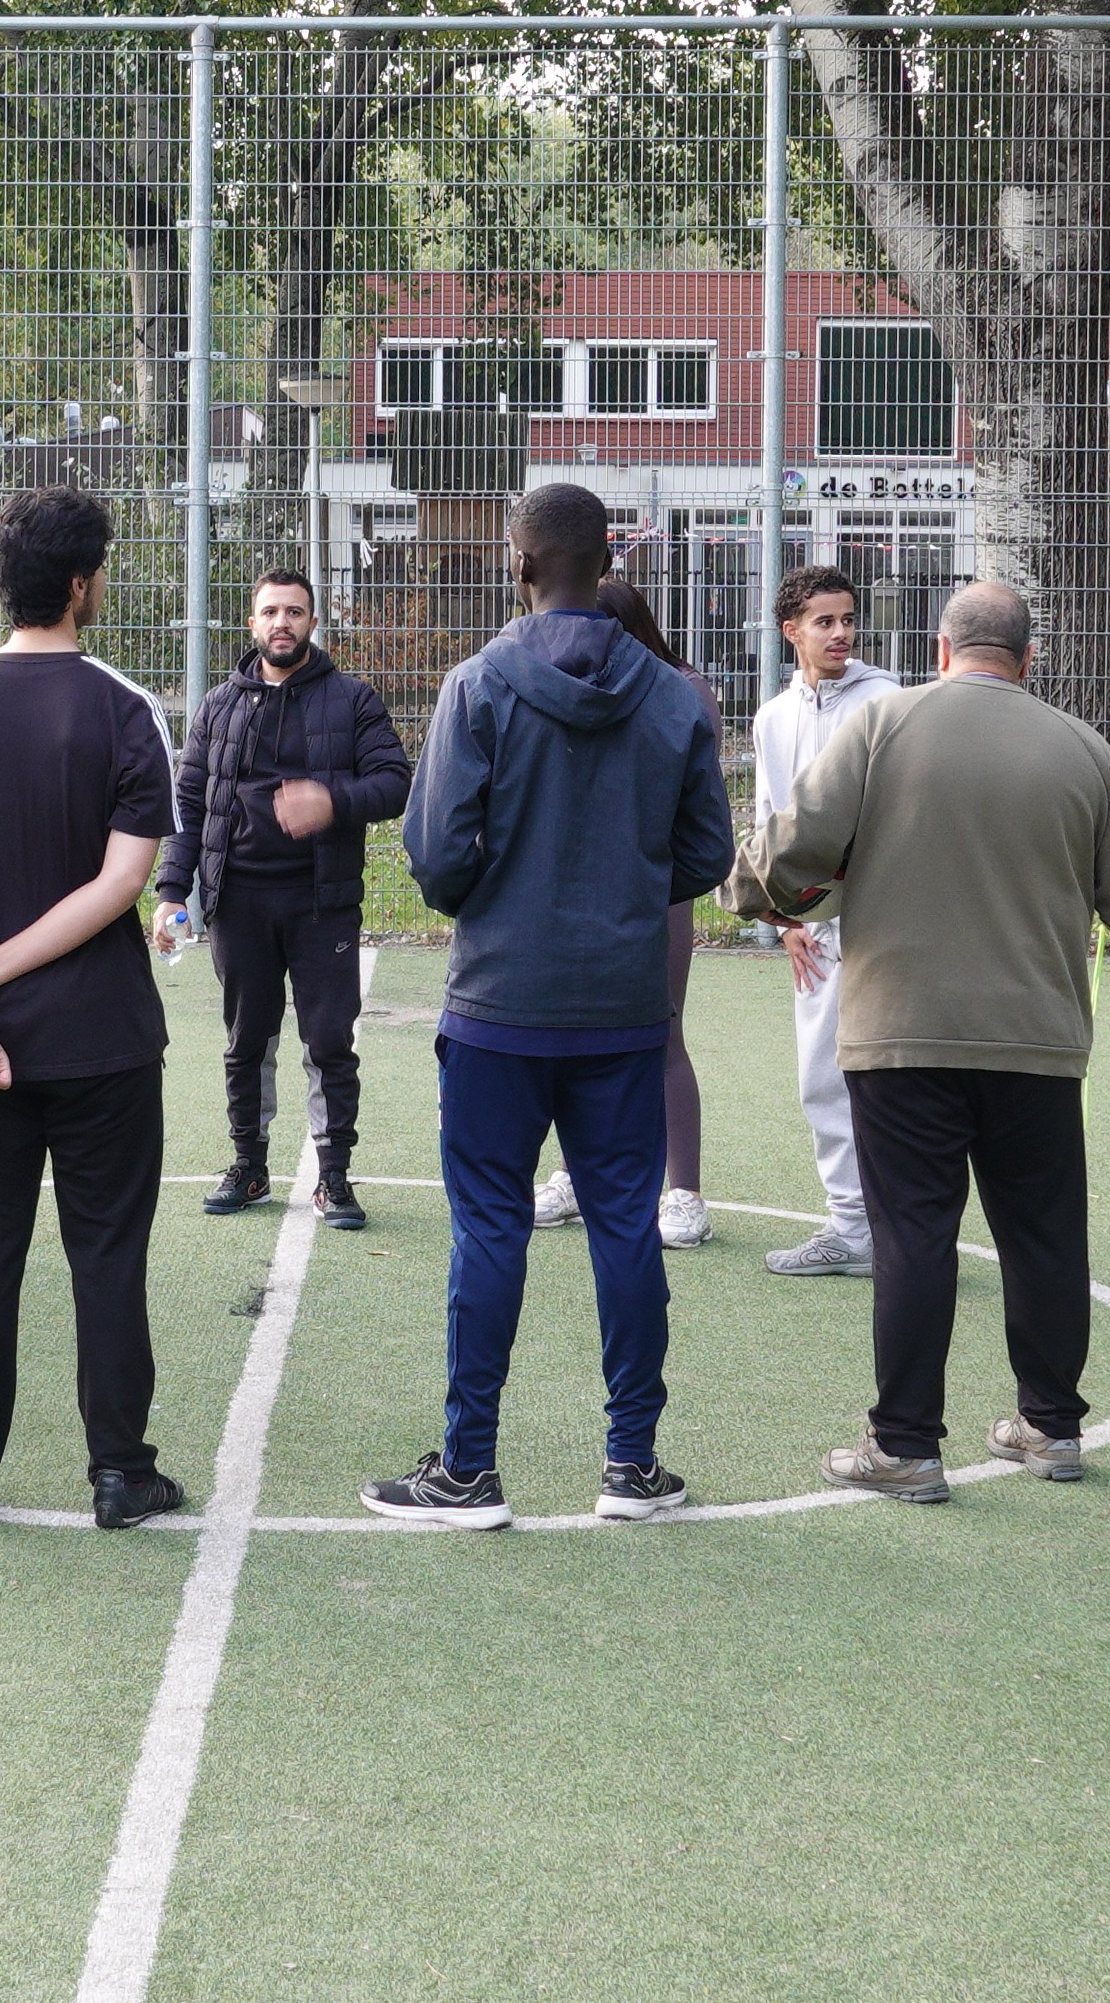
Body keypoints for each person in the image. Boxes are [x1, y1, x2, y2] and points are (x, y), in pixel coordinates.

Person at [731, 581, 1110, 1502]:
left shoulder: (879, 724)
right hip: (1035, 1037)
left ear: (940, 649)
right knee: (1044, 1235)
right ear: (1028, 659)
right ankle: (1051, 1426)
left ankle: (904, 1445)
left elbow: (790, 851)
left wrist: (749, 892)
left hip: (901, 1032)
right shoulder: (1082, 748)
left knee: (912, 1237)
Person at [370, 483, 733, 1529]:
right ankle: (631, 1464)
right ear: (606, 559)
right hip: (622, 1003)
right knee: (625, 1228)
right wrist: (624, 887)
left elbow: (436, 854)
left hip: (500, 998)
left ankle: (468, 1469)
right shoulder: (672, 696)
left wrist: (502, 894)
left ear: (517, 562)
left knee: (489, 1228)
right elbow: (706, 852)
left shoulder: (477, 684)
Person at [0, 485, 185, 1532]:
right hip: (101, 1038)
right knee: (106, 1255)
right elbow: (121, 884)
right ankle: (121, 1474)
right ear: (79, 583)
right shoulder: (123, 708)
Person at [152, 567, 410, 1230]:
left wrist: (332, 800)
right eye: (270, 612)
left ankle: (333, 1176)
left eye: (294, 612)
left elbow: (394, 781)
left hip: (322, 903)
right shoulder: (219, 705)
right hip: (238, 901)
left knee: (329, 1042)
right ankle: (249, 1165)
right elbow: (187, 802)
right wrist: (172, 891)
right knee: (246, 1041)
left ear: (312, 623)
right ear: (252, 623)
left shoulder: (351, 699)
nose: (282, 623)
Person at [532, 573, 722, 1250]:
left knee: (661, 1037)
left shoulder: (680, 692)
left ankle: (685, 1193)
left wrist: (658, 879)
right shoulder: (563, 688)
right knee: (572, 1037)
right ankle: (573, 1175)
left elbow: (696, 818)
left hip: (654, 894)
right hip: (578, 894)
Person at [749, 562, 899, 1278]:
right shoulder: (772, 718)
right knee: (822, 1078)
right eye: (824, 621)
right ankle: (850, 1228)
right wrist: (784, 921)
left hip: (886, 924)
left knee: (894, 1080)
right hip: (815, 930)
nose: (841, 633)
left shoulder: (887, 701)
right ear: (791, 631)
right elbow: (769, 821)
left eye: (848, 619)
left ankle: (902, 1231)